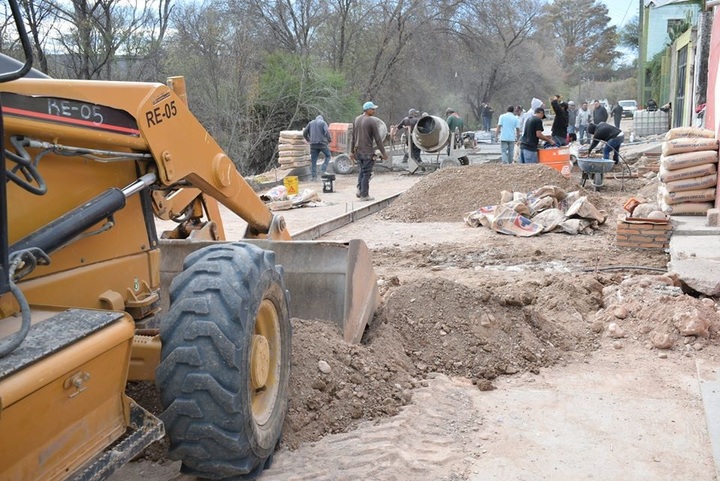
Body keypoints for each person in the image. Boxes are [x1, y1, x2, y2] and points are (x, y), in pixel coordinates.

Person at [351, 101, 388, 201]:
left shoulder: (357, 120)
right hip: (367, 152)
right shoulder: (371, 121)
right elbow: (378, 139)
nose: (374, 111)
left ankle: (359, 189)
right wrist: (384, 153)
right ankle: (364, 195)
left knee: (361, 171)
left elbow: (353, 137)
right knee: (367, 173)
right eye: (373, 109)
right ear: (367, 110)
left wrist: (351, 152)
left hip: (358, 151)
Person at [302, 114, 332, 181]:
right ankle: (323, 169)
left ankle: (314, 177)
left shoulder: (311, 123)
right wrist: (329, 140)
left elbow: (304, 132)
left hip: (313, 144)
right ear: (321, 119)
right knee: (328, 155)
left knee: (314, 161)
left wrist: (308, 139)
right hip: (322, 144)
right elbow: (327, 131)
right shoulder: (323, 123)